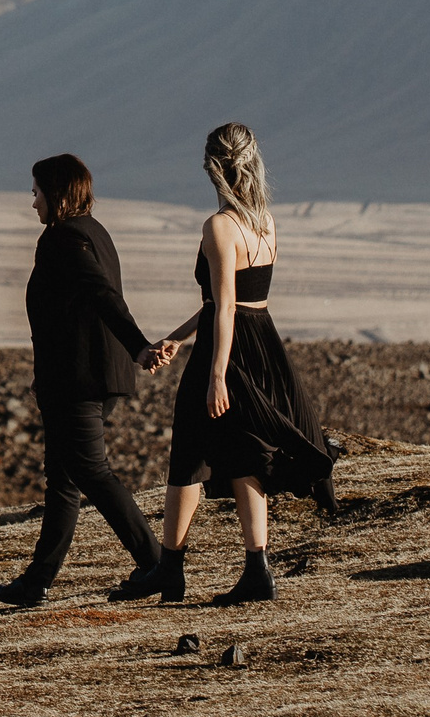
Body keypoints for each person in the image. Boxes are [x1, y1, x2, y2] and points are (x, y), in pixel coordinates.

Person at [141, 122, 335, 605]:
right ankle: (256, 568)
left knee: (188, 454)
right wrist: (179, 338)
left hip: (227, 349)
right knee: (249, 452)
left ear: (212, 167)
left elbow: (224, 307)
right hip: (261, 341)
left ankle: (171, 569)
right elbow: (235, 300)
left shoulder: (220, 226)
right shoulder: (265, 221)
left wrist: (216, 376)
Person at [0, 152, 168, 609]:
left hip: (79, 380)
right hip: (83, 376)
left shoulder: (62, 238)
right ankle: (37, 581)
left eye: (36, 193)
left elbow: (100, 295)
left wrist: (139, 345)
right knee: (63, 479)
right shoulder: (95, 232)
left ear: (56, 193)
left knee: (89, 471)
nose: (33, 204)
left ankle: (157, 563)